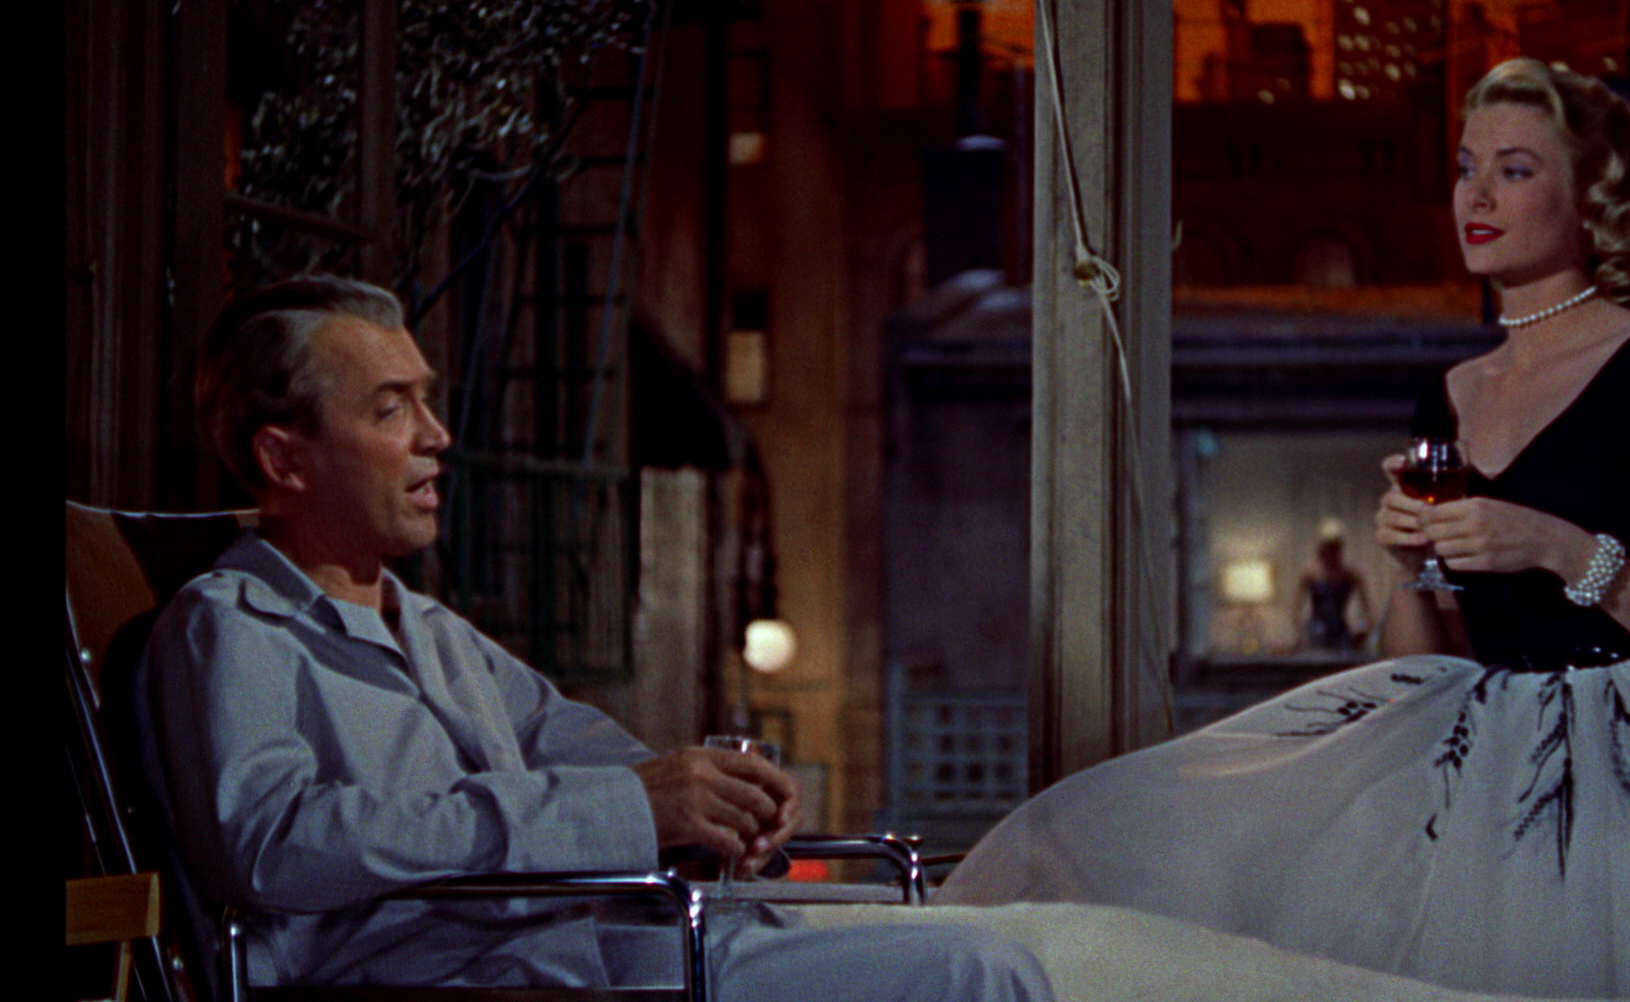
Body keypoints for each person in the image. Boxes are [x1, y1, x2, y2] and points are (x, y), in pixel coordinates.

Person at [932, 59, 1630, 998]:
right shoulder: (1447, 397)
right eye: (1465, 167)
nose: (1476, 196)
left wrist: (1560, 548)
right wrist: (1411, 563)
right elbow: (1426, 663)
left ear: (1591, 204)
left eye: (1515, 169)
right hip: (1487, 786)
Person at [134, 277, 1052, 1000]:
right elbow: (274, 842)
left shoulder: (432, 630)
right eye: (389, 409)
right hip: (453, 980)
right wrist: (626, 809)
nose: (436, 436)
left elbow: (576, 746)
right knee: (975, 972)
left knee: (981, 950)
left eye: (426, 401)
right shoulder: (230, 626)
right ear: (283, 458)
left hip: (589, 944)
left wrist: (712, 803)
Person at [1288, 518, 1372, 652]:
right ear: (1321, 547)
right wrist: (1300, 634)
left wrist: (1364, 631)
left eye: (1336, 546)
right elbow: (1295, 608)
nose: (1332, 551)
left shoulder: (1350, 573)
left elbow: (1368, 609)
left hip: (1341, 633)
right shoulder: (1310, 573)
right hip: (1316, 633)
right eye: (1329, 546)